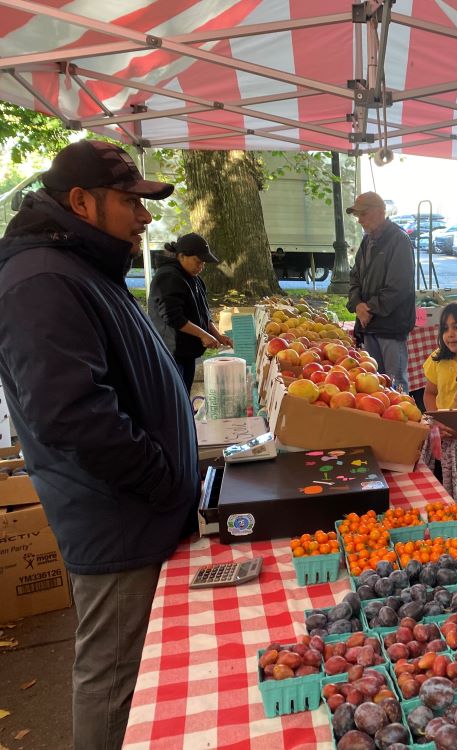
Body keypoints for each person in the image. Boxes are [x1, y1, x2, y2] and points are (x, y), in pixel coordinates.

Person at [0, 140, 199, 750]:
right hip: (118, 523)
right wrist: (162, 477)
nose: (144, 217)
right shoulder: (42, 281)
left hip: (133, 514)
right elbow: (72, 416)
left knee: (130, 676)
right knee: (115, 681)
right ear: (81, 202)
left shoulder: (80, 266)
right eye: (130, 202)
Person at [347, 191, 416, 391]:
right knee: (374, 385)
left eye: (363, 214)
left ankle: (403, 423)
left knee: (396, 385)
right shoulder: (367, 241)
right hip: (369, 326)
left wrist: (368, 309)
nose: (359, 220)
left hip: (391, 327)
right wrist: (358, 304)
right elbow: (354, 278)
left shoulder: (399, 240)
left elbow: (398, 287)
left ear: (379, 212)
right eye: (358, 216)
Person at [148, 232, 233, 392]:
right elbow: (173, 316)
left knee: (184, 393)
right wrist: (202, 335)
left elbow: (203, 314)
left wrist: (217, 335)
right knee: (174, 396)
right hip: (171, 351)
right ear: (181, 256)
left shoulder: (194, 278)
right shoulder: (168, 277)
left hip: (187, 352)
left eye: (203, 264)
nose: (200, 267)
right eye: (197, 261)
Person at [422, 301, 457, 502]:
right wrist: (437, 420)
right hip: (444, 436)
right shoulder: (438, 358)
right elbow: (429, 394)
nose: (450, 334)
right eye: (445, 329)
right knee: (444, 490)